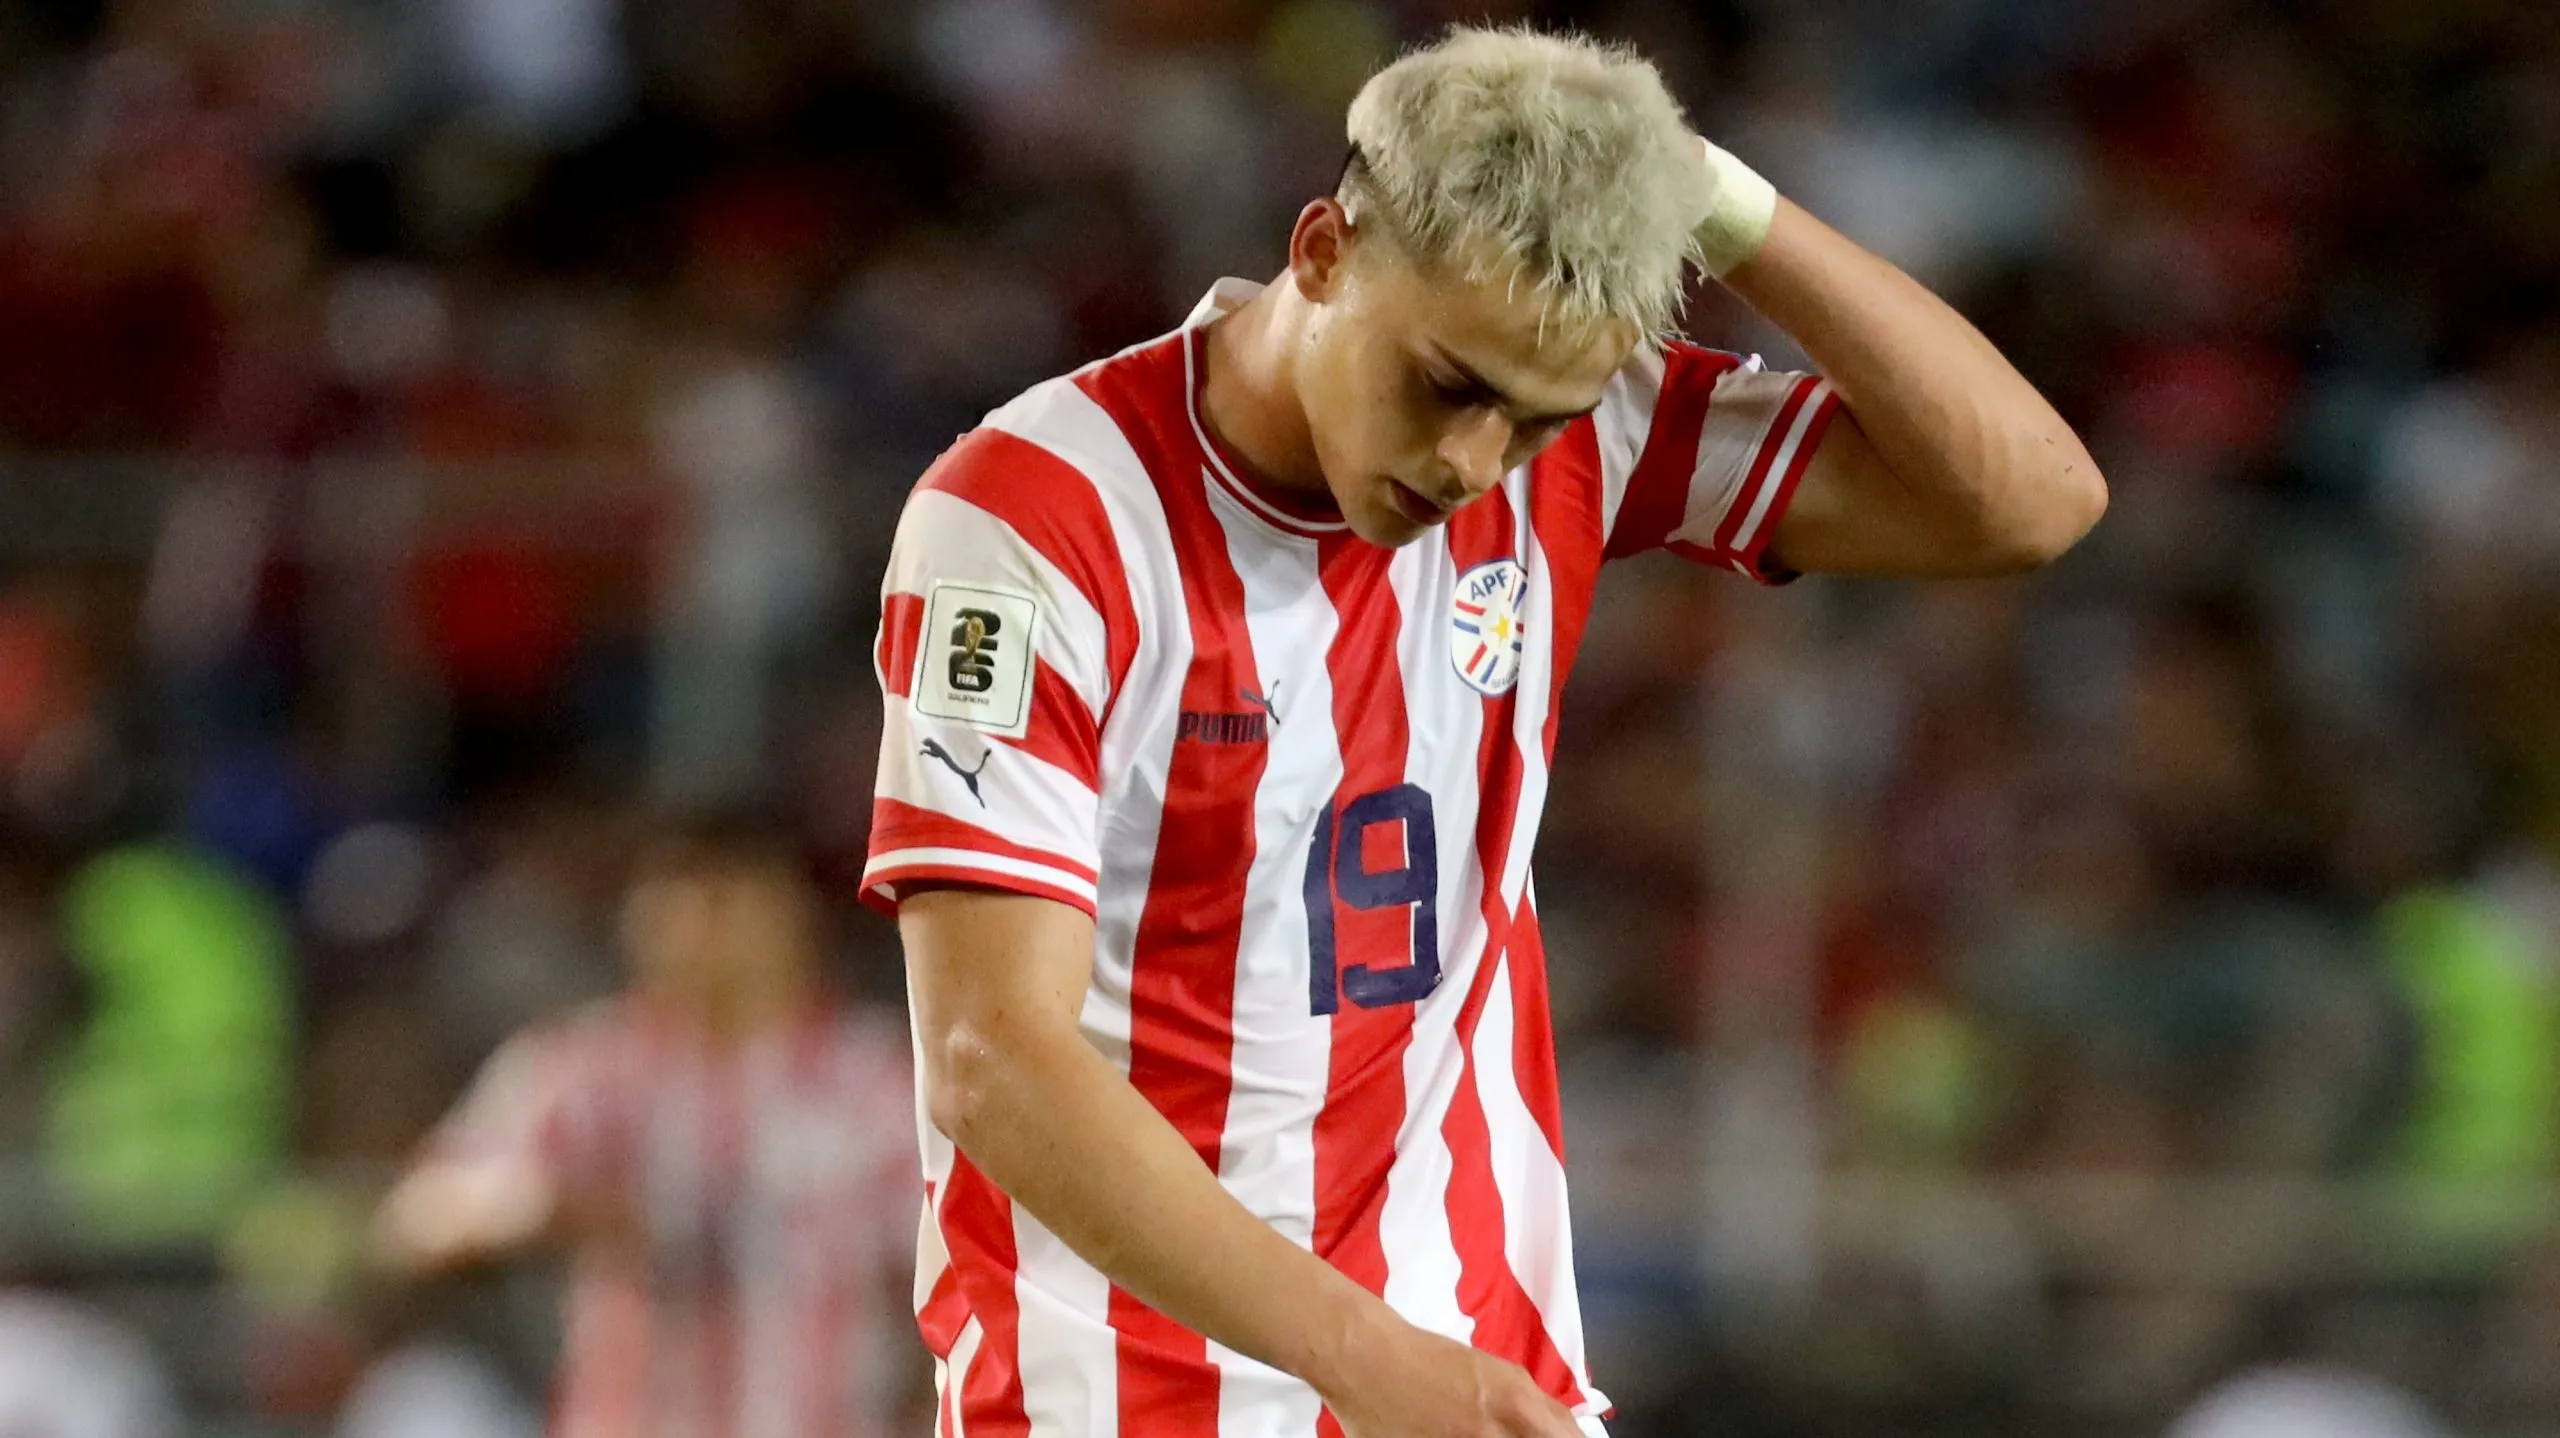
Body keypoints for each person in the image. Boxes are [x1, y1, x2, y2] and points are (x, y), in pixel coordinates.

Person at [862, 26, 2105, 1438]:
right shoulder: (1031, 519)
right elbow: (990, 1055)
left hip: (1470, 1358)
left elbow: (2029, 500)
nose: (1472, 465)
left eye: (1531, 422)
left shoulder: (1573, 433)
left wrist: (1708, 194)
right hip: (1128, 1394)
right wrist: (1366, 1357)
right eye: (1447, 385)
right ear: (1323, 250)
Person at [374, 820, 921, 1438]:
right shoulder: (585, 1069)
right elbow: (418, 1213)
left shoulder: (872, 1080)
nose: (695, 930)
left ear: (791, 912)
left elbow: (951, 1268)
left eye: (721, 901)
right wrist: (545, 1208)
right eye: (670, 901)